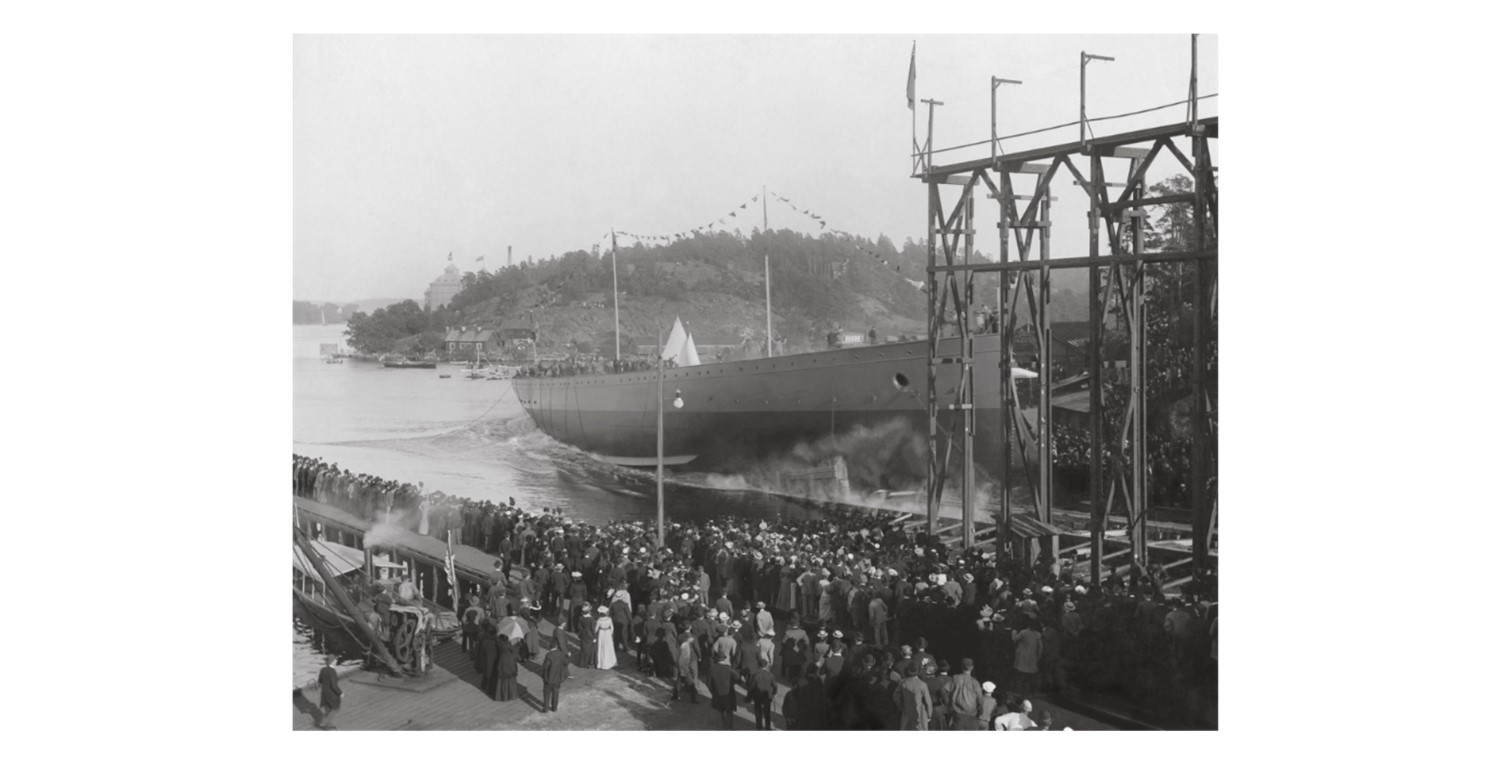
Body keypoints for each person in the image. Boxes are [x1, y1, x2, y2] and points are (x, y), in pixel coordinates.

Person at [946, 658, 985, 730]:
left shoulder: (955, 678)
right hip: (972, 717)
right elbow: (980, 701)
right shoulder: (975, 682)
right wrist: (979, 713)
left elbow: (944, 690)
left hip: (958, 716)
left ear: (961, 667)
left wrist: (949, 703)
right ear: (972, 668)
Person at [896, 662, 933, 730]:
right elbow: (928, 702)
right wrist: (929, 715)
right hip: (920, 713)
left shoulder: (902, 683)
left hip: (906, 712)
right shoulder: (922, 684)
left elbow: (896, 697)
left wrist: (901, 707)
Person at [708, 655, 741, 730]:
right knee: (729, 713)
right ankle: (729, 729)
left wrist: (713, 692)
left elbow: (709, 683)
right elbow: (737, 676)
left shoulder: (712, 669)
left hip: (717, 694)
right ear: (724, 660)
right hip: (729, 694)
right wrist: (732, 683)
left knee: (720, 713)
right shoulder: (728, 668)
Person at [748, 654, 777, 730]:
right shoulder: (770, 675)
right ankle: (767, 728)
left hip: (757, 696)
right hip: (767, 696)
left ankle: (759, 728)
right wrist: (774, 692)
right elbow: (775, 686)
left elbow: (752, 686)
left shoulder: (755, 675)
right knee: (767, 713)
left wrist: (750, 696)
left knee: (758, 713)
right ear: (766, 665)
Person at [541, 635, 569, 713]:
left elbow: (545, 666)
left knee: (546, 694)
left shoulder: (549, 655)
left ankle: (545, 708)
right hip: (558, 678)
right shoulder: (561, 654)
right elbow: (566, 663)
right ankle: (554, 707)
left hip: (549, 678)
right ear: (556, 646)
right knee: (556, 693)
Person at [475, 622, 500, 700]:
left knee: (487, 672)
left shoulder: (485, 639)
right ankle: (490, 690)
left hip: (486, 660)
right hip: (493, 660)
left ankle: (484, 685)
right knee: (491, 675)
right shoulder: (495, 641)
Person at [316, 655, 342, 730]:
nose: (336, 661)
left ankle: (329, 724)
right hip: (331, 694)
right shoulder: (333, 672)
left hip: (324, 693)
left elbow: (320, 680)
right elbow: (334, 685)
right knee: (335, 708)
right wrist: (340, 693)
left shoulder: (323, 669)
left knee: (328, 709)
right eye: (335, 660)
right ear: (332, 662)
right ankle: (323, 723)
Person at [496, 634, 519, 701]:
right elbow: (515, 650)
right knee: (511, 680)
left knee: (502, 680)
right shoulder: (508, 645)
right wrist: (517, 644)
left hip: (501, 661)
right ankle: (511, 695)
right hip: (509, 662)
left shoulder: (499, 644)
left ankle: (502, 696)